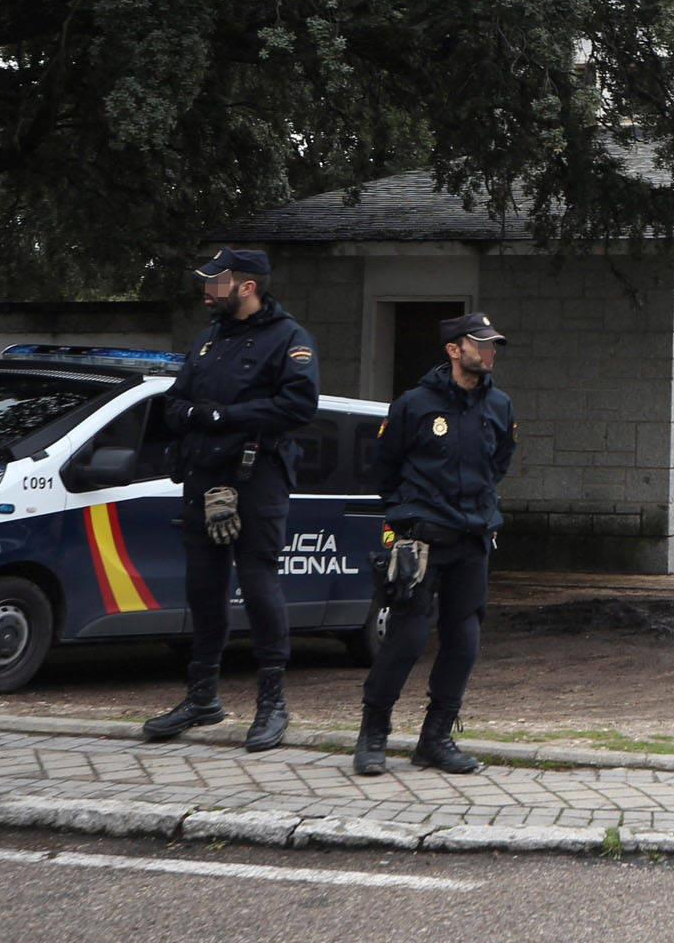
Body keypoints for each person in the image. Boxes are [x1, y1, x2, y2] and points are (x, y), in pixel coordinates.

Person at [141, 249, 319, 751]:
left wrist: (223, 417)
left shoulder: (290, 339)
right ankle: (202, 698)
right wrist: (199, 416)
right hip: (203, 475)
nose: (205, 290)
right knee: (203, 587)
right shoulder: (207, 339)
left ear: (245, 286)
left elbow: (299, 405)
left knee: (259, 585)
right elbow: (174, 403)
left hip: (255, 473)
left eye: (213, 282)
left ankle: (272, 705)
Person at [354, 313, 516, 778]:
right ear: (453, 350)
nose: (490, 351)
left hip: (473, 539)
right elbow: (385, 469)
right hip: (421, 542)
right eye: (480, 344)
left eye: (493, 344)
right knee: (405, 638)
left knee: (463, 642)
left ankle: (435, 739)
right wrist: (406, 518)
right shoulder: (414, 404)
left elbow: (500, 463)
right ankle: (373, 736)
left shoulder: (500, 406)